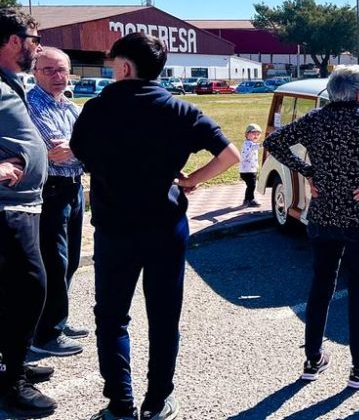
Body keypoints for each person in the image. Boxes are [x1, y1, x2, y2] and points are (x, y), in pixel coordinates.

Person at [72, 33, 239, 420]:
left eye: (114, 65)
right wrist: (190, 180)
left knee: (112, 316)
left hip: (115, 228)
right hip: (165, 227)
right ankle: (158, 400)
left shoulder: (97, 108)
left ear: (126, 67)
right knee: (164, 316)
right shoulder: (181, 109)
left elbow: (82, 155)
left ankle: (120, 403)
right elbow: (230, 155)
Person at [263, 65, 359, 389]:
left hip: (324, 213)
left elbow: (275, 143)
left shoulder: (316, 118)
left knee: (321, 286)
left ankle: (313, 359)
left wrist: (307, 171)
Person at [0, 9, 58, 416]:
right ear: (15, 41)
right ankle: (12, 383)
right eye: (34, 41)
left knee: (14, 292)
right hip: (8, 208)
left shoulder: (10, 83)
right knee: (30, 288)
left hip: (24, 206)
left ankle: (10, 365)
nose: (37, 49)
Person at [26, 48, 87, 359]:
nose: (57, 77)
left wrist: (80, 147)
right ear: (36, 72)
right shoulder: (32, 103)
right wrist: (83, 147)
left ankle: (58, 321)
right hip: (50, 191)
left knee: (71, 259)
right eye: (48, 70)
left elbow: (83, 148)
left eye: (61, 70)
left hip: (75, 188)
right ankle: (46, 333)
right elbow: (55, 149)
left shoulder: (71, 108)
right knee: (54, 261)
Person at [239, 123, 262, 207]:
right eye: (253, 133)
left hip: (248, 170)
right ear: (247, 134)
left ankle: (248, 199)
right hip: (247, 171)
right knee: (251, 185)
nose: (255, 136)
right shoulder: (249, 143)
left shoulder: (250, 143)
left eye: (258, 134)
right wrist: (265, 144)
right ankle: (249, 200)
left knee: (250, 185)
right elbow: (255, 147)